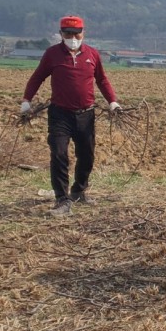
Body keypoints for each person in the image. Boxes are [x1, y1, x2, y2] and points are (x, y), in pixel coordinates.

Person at [20, 15, 121, 216]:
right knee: (58, 154)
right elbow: (37, 77)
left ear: (83, 33)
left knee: (87, 156)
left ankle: (78, 191)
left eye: (77, 33)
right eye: (68, 34)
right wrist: (26, 101)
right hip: (60, 114)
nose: (73, 37)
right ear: (61, 34)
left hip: (86, 115)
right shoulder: (52, 55)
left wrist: (113, 102)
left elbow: (102, 79)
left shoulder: (92, 54)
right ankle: (62, 200)